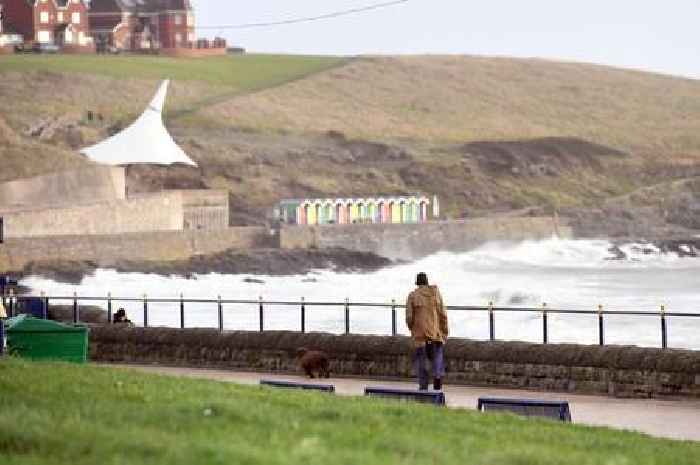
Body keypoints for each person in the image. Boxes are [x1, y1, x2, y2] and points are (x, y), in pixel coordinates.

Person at [405, 272, 449, 391]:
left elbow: (409, 318)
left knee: (422, 363)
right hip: (436, 335)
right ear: (427, 282)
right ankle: (437, 381)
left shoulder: (412, 296)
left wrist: (413, 329)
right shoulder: (436, 294)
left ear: (417, 283)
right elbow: (443, 314)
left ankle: (423, 389)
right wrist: (445, 332)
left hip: (421, 337)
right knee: (437, 359)